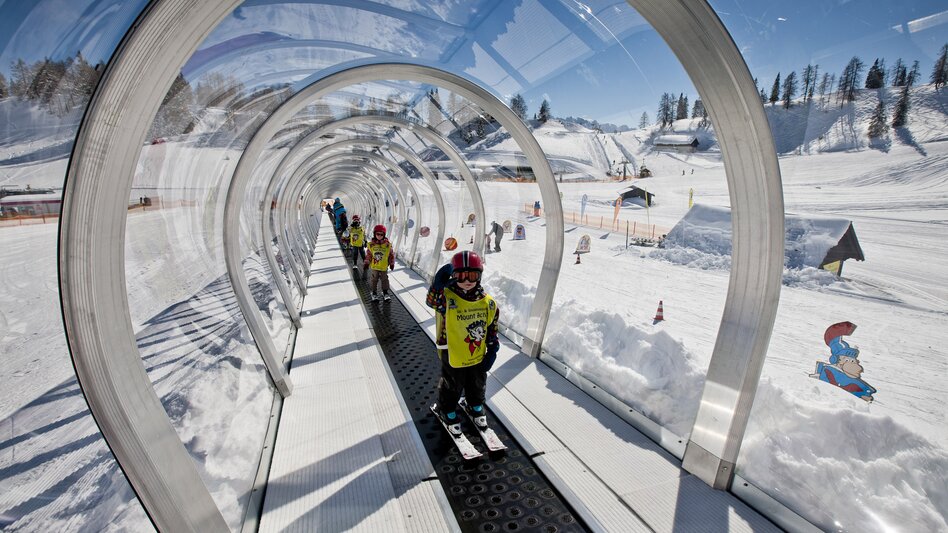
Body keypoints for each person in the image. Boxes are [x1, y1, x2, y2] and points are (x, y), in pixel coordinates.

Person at [428, 251, 499, 435]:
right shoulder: (447, 297)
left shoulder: (487, 302)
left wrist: (493, 347)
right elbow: (432, 302)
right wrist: (437, 286)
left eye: (473, 275)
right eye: (461, 276)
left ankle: (474, 404)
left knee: (477, 380)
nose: (467, 280)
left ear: (480, 276)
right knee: (453, 382)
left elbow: (491, 325)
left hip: (475, 352)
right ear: (454, 276)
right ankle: (447, 408)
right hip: (451, 349)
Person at [364, 224, 395, 301]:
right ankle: (374, 293)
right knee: (374, 279)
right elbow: (369, 254)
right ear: (375, 234)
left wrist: (391, 263)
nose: (379, 236)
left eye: (381, 234)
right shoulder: (372, 245)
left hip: (384, 266)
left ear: (384, 235)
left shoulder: (387, 245)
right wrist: (367, 262)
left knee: (385, 279)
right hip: (375, 266)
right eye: (378, 234)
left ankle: (385, 292)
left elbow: (391, 255)